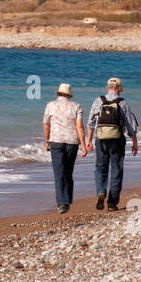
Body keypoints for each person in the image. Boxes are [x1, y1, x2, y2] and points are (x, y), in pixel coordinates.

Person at [86, 76, 138, 211]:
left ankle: (101, 192)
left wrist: (88, 141)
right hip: (117, 139)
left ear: (107, 88)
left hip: (101, 138)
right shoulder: (122, 102)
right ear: (119, 88)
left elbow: (91, 123)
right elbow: (130, 125)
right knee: (116, 169)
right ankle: (112, 203)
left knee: (100, 167)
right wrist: (134, 143)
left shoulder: (98, 100)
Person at [43, 83, 87, 213]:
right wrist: (83, 146)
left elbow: (46, 125)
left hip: (56, 141)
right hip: (72, 142)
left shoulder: (50, 105)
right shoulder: (76, 106)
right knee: (68, 171)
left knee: (59, 173)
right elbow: (79, 127)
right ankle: (67, 199)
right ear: (69, 95)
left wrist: (47, 141)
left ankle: (62, 203)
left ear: (58, 93)